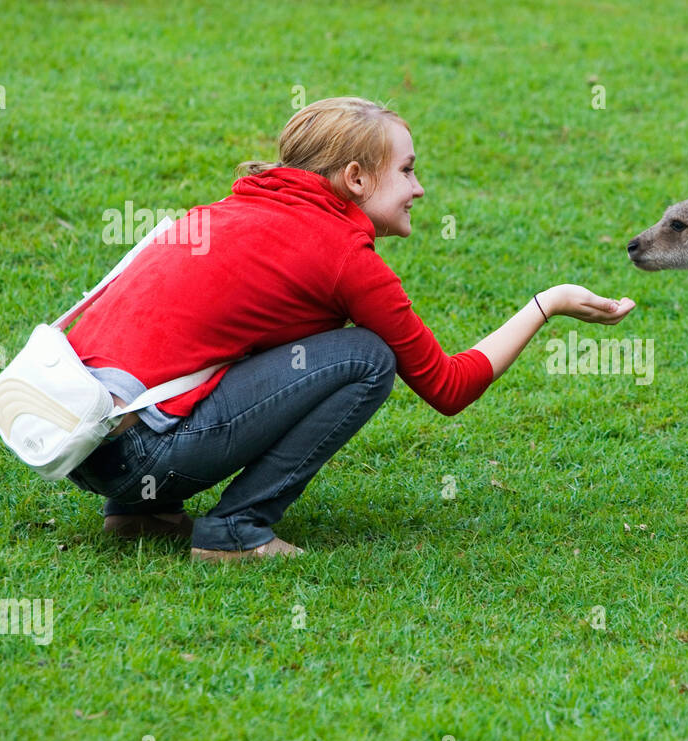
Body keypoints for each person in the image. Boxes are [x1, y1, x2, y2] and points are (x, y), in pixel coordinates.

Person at [66, 97, 634, 561]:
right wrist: (547, 303)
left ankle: (140, 514)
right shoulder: (341, 255)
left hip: (79, 445)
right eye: (408, 170)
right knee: (366, 357)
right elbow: (448, 388)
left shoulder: (220, 213)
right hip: (142, 454)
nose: (419, 188)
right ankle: (235, 531)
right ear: (356, 178)